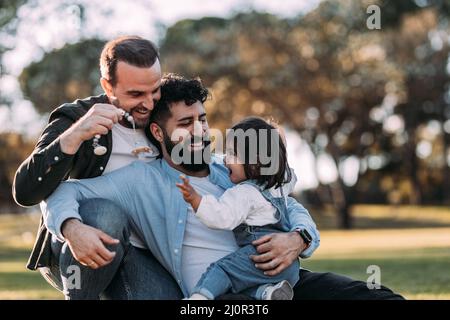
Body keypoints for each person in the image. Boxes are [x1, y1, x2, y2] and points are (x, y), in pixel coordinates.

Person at [42, 74, 404, 300]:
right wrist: (72, 228)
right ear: (158, 132)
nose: (200, 130)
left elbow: (287, 202)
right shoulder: (140, 180)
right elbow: (63, 191)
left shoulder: (229, 171)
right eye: (186, 122)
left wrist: (299, 239)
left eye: (202, 119)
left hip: (283, 280)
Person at [12, 36, 183, 299]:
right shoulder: (75, 117)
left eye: (155, 90)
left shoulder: (166, 115)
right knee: (105, 214)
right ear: (108, 86)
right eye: (136, 94)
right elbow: (25, 192)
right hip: (74, 246)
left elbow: (210, 175)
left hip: (144, 252)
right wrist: (74, 136)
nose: (149, 103)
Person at [177, 117, 302, 300]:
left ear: (254, 162)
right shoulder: (280, 184)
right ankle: (267, 293)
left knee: (224, 271)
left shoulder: (244, 193)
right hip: (289, 266)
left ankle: (199, 298)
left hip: (265, 258)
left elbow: (220, 217)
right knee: (241, 280)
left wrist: (195, 199)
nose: (225, 159)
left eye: (232, 154)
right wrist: (276, 144)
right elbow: (290, 174)